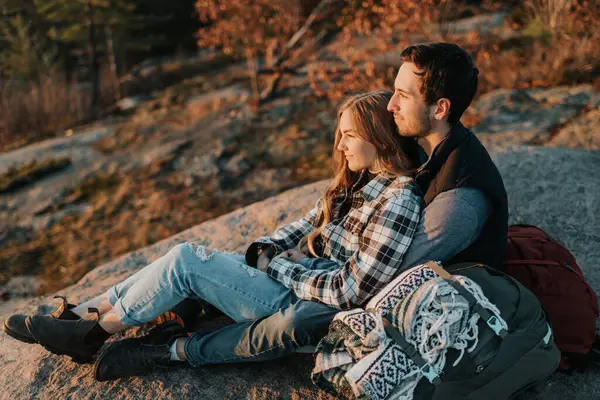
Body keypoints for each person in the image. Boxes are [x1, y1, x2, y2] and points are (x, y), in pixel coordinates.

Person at [87, 42, 507, 381]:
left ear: (440, 108)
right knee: (229, 269)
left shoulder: (460, 198)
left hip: (399, 310)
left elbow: (372, 285)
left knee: (290, 323)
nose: (391, 104)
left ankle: (173, 351)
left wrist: (289, 268)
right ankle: (104, 315)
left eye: (402, 95)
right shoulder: (422, 148)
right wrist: (286, 254)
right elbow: (338, 215)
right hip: (344, 278)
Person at [2, 89, 425, 376]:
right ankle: (81, 315)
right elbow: (304, 224)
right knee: (183, 258)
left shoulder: (399, 199)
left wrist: (277, 266)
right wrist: (266, 249)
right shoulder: (360, 181)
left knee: (186, 261)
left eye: (349, 136)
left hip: (298, 300)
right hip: (289, 279)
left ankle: (91, 334)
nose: (340, 147)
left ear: (378, 137)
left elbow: (350, 290)